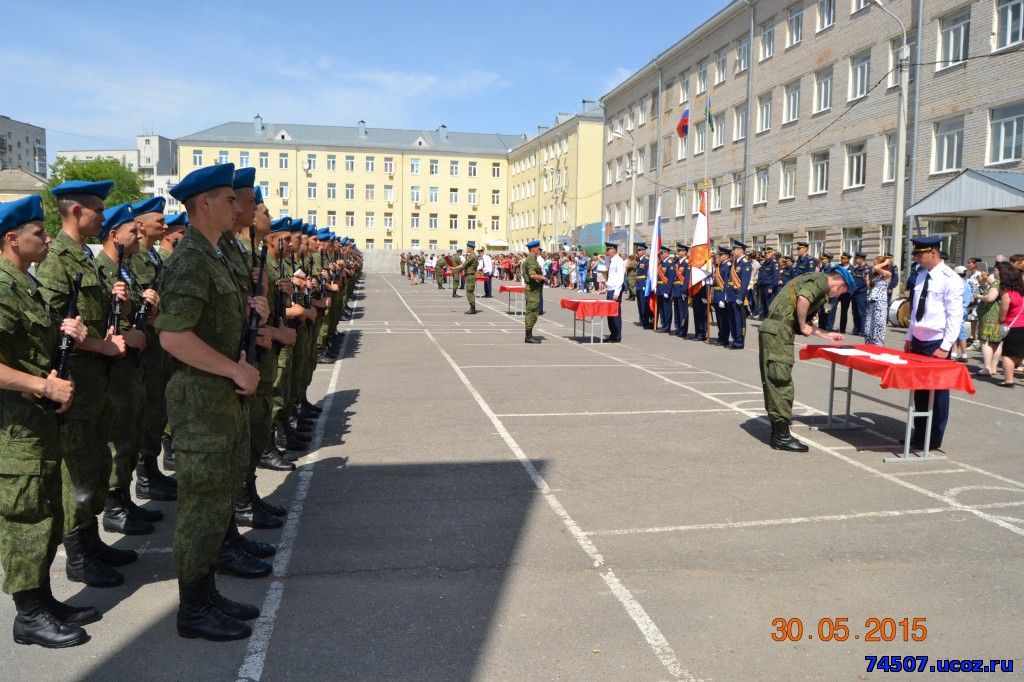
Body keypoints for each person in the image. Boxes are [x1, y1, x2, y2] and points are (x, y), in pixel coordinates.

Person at [158, 163, 268, 641]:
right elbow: (173, 337)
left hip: (220, 397)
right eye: (228, 198)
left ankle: (207, 593)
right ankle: (193, 608)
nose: (236, 205)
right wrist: (233, 369)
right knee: (200, 507)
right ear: (203, 204)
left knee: (216, 500)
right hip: (200, 400)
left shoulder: (218, 256)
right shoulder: (191, 260)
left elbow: (211, 321)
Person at [0, 194, 96, 648]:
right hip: (15, 429)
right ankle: (28, 615)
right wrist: (42, 387)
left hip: (37, 426)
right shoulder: (1, 285)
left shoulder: (25, 283)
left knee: (47, 512)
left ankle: (43, 599)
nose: (45, 237)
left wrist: (65, 333)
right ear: (11, 239)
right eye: (38, 232)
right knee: (25, 520)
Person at [36, 179, 131, 588]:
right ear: (76, 211)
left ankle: (91, 540)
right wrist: (102, 346)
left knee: (93, 463)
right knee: (77, 470)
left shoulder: (85, 258)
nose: (104, 216)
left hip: (96, 385)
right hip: (76, 384)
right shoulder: (58, 260)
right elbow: (58, 331)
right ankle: (77, 554)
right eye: (97, 209)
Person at [759, 267, 852, 451]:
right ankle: (781, 437)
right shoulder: (820, 281)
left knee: (775, 380)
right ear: (840, 285)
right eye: (841, 293)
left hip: (776, 330)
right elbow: (804, 300)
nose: (836, 297)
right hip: (778, 333)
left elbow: (807, 324)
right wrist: (802, 325)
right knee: (780, 381)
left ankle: (778, 432)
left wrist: (827, 335)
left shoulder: (815, 281)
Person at [903, 236, 963, 450]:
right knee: (919, 389)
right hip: (919, 339)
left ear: (934, 253)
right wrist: (909, 336)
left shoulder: (951, 279)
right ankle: (919, 435)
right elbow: (915, 312)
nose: (917, 258)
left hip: (936, 342)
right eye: (916, 255)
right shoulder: (921, 276)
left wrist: (945, 346)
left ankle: (933, 438)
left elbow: (955, 316)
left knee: (937, 393)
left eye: (920, 255)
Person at [996, 263, 1024, 387]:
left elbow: (1003, 314)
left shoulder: (1007, 293)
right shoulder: (1022, 291)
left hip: (1014, 326)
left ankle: (1008, 380)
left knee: (1008, 354)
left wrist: (1000, 321)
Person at [974, 268, 1005, 376]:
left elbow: (991, 297)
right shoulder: (1004, 283)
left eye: (995, 270)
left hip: (989, 316)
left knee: (985, 341)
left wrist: (979, 296)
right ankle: (993, 367)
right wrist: (984, 280)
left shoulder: (997, 283)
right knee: (997, 342)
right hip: (998, 316)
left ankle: (987, 368)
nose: (993, 272)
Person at [728, 240, 752, 349]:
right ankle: (734, 338)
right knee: (733, 319)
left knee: (739, 320)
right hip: (732, 295)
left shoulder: (745, 263)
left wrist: (740, 297)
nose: (733, 251)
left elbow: (745, 282)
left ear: (741, 250)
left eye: (735, 249)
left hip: (739, 296)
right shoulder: (735, 263)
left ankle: (739, 341)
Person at [864, 256, 893, 346]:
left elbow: (877, 268)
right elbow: (870, 287)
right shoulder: (876, 275)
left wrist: (886, 262)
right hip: (871, 301)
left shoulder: (887, 274)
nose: (874, 265)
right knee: (869, 325)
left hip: (880, 303)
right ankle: (869, 344)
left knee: (878, 325)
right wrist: (867, 280)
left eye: (876, 263)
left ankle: (878, 345)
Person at [523, 240, 544, 343]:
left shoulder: (532, 259)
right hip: (532, 290)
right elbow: (532, 275)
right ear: (533, 249)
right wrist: (543, 278)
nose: (539, 250)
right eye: (538, 249)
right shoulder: (531, 260)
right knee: (532, 313)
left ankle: (529, 335)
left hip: (533, 289)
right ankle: (528, 336)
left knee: (532, 312)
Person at [604, 242, 625, 343]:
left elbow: (620, 278)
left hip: (615, 290)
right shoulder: (612, 260)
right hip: (610, 289)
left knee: (615, 314)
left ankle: (617, 336)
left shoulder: (619, 261)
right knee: (609, 313)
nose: (607, 252)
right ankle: (612, 334)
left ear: (614, 250)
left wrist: (617, 292)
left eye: (608, 250)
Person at [712, 246, 732, 346]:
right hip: (717, 294)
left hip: (722, 295)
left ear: (726, 255)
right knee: (719, 319)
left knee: (724, 319)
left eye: (720, 255)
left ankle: (724, 339)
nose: (719, 256)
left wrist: (724, 297)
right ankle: (721, 337)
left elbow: (726, 283)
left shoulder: (728, 266)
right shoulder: (720, 266)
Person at [672, 243, 690, 337]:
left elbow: (687, 278)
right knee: (677, 311)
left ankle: (683, 330)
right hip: (676, 289)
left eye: (680, 251)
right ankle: (678, 328)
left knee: (682, 311)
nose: (678, 252)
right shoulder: (678, 263)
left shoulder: (687, 263)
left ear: (685, 252)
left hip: (682, 290)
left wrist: (684, 291)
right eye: (678, 251)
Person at [850, 252, 870, 335]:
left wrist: (854, 288)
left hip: (862, 293)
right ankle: (856, 329)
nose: (855, 260)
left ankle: (863, 330)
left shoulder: (867, 269)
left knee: (861, 312)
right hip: (854, 293)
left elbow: (864, 283)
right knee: (855, 312)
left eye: (857, 259)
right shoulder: (856, 269)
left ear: (861, 259)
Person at [655, 245, 673, 332]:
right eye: (660, 253)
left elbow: (671, 278)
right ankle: (663, 325)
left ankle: (667, 326)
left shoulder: (670, 263)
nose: (661, 255)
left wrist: (667, 291)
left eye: (662, 253)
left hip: (665, 289)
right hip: (660, 289)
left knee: (667, 309)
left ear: (667, 253)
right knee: (662, 309)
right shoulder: (661, 263)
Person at [757, 248, 778, 319]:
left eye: (768, 253)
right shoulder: (764, 263)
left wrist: (771, 287)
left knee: (769, 305)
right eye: (765, 253)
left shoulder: (774, 263)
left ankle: (771, 323)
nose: (766, 254)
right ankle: (765, 321)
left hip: (769, 287)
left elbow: (776, 276)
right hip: (762, 287)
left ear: (772, 253)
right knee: (764, 305)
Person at [634, 243, 651, 328]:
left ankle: (645, 320)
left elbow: (648, 273)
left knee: (644, 303)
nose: (638, 251)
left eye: (640, 250)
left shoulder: (646, 260)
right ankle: (641, 319)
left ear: (644, 251)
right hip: (639, 283)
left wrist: (646, 285)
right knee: (639, 303)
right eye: (638, 250)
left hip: (643, 283)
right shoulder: (639, 260)